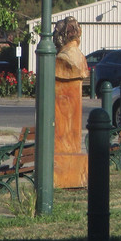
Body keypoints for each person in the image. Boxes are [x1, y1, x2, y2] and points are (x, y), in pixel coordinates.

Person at [53, 17, 86, 154]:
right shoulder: (79, 55)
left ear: (62, 35)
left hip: (63, 142)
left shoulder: (64, 58)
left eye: (55, 33)